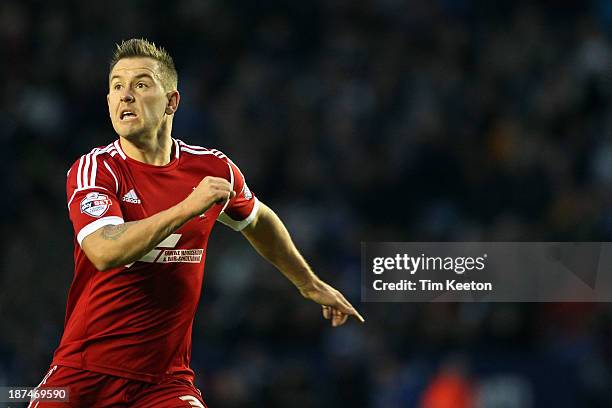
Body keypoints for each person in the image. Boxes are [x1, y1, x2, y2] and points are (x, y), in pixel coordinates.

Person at [30, 38, 363, 408]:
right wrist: (188, 207)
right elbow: (105, 250)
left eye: (141, 84)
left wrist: (308, 283)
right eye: (116, 86)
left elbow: (258, 219)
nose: (125, 95)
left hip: (165, 383)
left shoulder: (211, 169)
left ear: (172, 101)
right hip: (84, 375)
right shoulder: (97, 169)